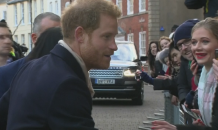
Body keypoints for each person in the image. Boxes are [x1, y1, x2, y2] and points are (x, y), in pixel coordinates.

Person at [0, 0, 121, 129]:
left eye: (114, 37)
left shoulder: (31, 67)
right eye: (106, 36)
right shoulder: (67, 83)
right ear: (80, 35)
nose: (114, 46)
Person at [151, 17, 218, 130]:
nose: (197, 47)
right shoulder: (204, 73)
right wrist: (207, 118)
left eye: (205, 41)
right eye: (194, 42)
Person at [0, 12, 61, 98]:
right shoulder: (7, 74)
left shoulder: (68, 70)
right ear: (34, 38)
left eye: (61, 35)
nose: (57, 39)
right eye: (50, 35)